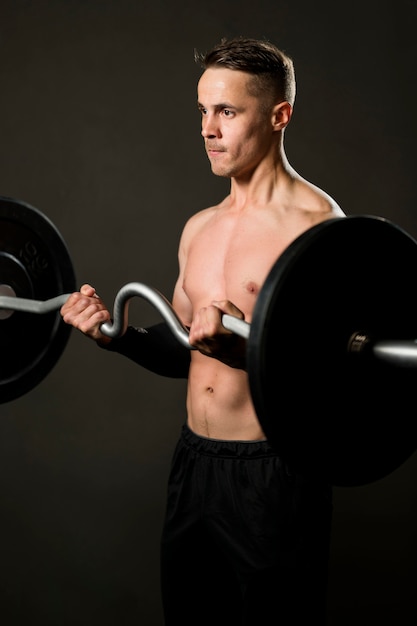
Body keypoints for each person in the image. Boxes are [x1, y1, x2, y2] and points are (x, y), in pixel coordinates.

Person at [61, 36, 345, 625]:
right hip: (194, 467)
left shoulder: (320, 228)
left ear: (279, 115)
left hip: (275, 475)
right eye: (202, 111)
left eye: (227, 112)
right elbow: (182, 351)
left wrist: (243, 350)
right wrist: (116, 337)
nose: (208, 129)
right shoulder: (199, 228)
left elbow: (336, 376)